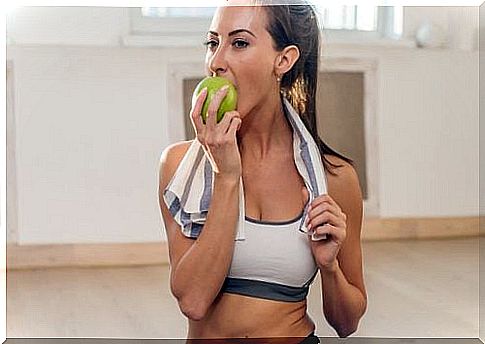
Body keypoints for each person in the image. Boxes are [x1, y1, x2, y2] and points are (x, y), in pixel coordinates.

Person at [158, 0, 367, 342]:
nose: (216, 62)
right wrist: (225, 177)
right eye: (213, 43)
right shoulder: (178, 166)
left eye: (239, 43)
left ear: (283, 60)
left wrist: (329, 268)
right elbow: (193, 300)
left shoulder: (335, 179)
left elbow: (347, 323)